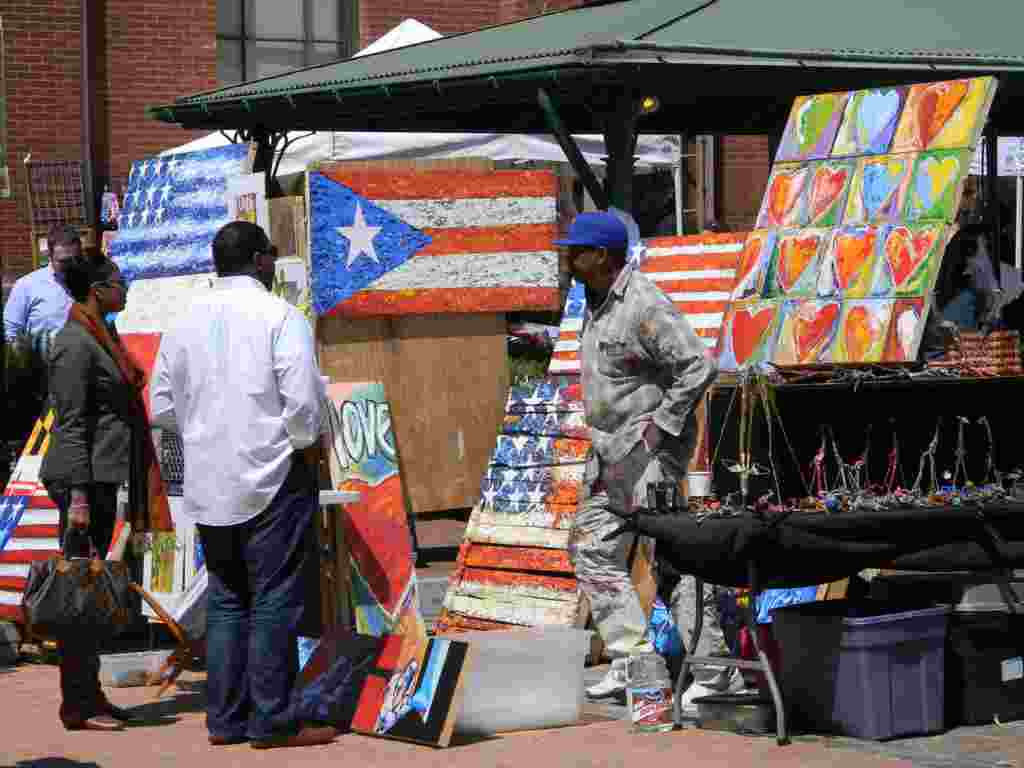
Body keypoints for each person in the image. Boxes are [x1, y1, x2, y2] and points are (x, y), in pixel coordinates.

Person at [150, 221, 332, 749]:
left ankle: (226, 721)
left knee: (229, 600)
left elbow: (162, 407)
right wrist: (302, 444)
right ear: (258, 260)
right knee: (275, 598)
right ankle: (272, 721)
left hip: (210, 477)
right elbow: (301, 404)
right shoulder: (281, 316)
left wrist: (206, 432)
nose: (273, 264)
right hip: (274, 474)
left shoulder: (184, 320)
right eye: (270, 257)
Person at [555, 211, 737, 710]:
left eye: (576, 250)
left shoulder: (642, 304)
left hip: (649, 456)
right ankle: (634, 662)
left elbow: (698, 365)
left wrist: (662, 428)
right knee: (592, 551)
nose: (567, 257)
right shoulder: (595, 303)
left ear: (602, 257)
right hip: (611, 453)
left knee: (670, 558)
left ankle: (716, 671)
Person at [40, 251, 171, 731]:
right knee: (79, 593)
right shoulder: (74, 344)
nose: (126, 287)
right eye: (119, 281)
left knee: (90, 592)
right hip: (81, 481)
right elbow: (71, 425)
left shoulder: (102, 335)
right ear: (97, 289)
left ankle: (89, 696)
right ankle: (77, 704)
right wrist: (76, 497)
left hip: (100, 476)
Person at [3, 224, 77, 343]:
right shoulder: (27, 286)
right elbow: (10, 330)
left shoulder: (89, 281)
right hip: (44, 358)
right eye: (63, 261)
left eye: (74, 259)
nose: (70, 265)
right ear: (50, 255)